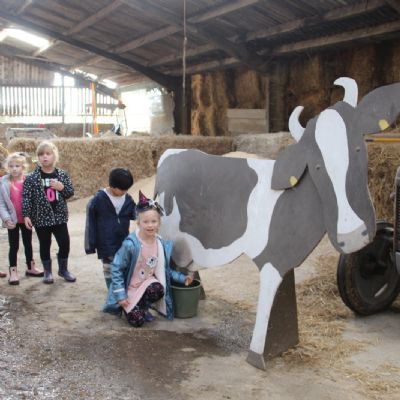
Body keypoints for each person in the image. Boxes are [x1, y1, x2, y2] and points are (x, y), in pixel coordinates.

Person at [103, 191, 193, 327]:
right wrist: (121, 296)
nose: (150, 225)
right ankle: (130, 306)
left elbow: (165, 270)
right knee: (137, 322)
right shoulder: (130, 245)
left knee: (158, 288)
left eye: (153, 221)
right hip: (131, 289)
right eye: (145, 222)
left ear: (159, 223)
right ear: (138, 223)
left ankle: (143, 306)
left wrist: (182, 278)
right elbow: (116, 268)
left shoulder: (160, 244)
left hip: (147, 285)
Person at [22, 141, 76, 284]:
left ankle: (63, 269)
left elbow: (70, 193)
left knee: (64, 244)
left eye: (48, 154)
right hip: (41, 218)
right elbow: (26, 197)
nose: (44, 157)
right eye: (41, 154)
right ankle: (47, 272)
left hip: (59, 217)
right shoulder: (32, 177)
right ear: (38, 158)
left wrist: (61, 187)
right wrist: (26, 215)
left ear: (54, 156)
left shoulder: (62, 174)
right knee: (44, 245)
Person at [85, 167, 136, 289]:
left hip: (123, 241)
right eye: (122, 189)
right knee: (109, 269)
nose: (125, 192)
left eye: (127, 189)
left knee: (123, 266)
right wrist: (91, 245)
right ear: (113, 187)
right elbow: (90, 223)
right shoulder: (98, 200)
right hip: (105, 243)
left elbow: (134, 214)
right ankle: (112, 292)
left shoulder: (127, 199)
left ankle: (121, 289)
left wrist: (145, 208)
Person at [0, 152, 43, 284]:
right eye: (11, 166)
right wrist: (6, 218)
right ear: (7, 167)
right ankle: (13, 272)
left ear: (23, 167)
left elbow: (33, 200)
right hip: (12, 221)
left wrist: (31, 215)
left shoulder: (28, 181)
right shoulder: (4, 182)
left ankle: (31, 267)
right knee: (14, 246)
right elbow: (1, 203)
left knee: (28, 243)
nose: (14, 169)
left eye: (17, 166)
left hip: (26, 219)